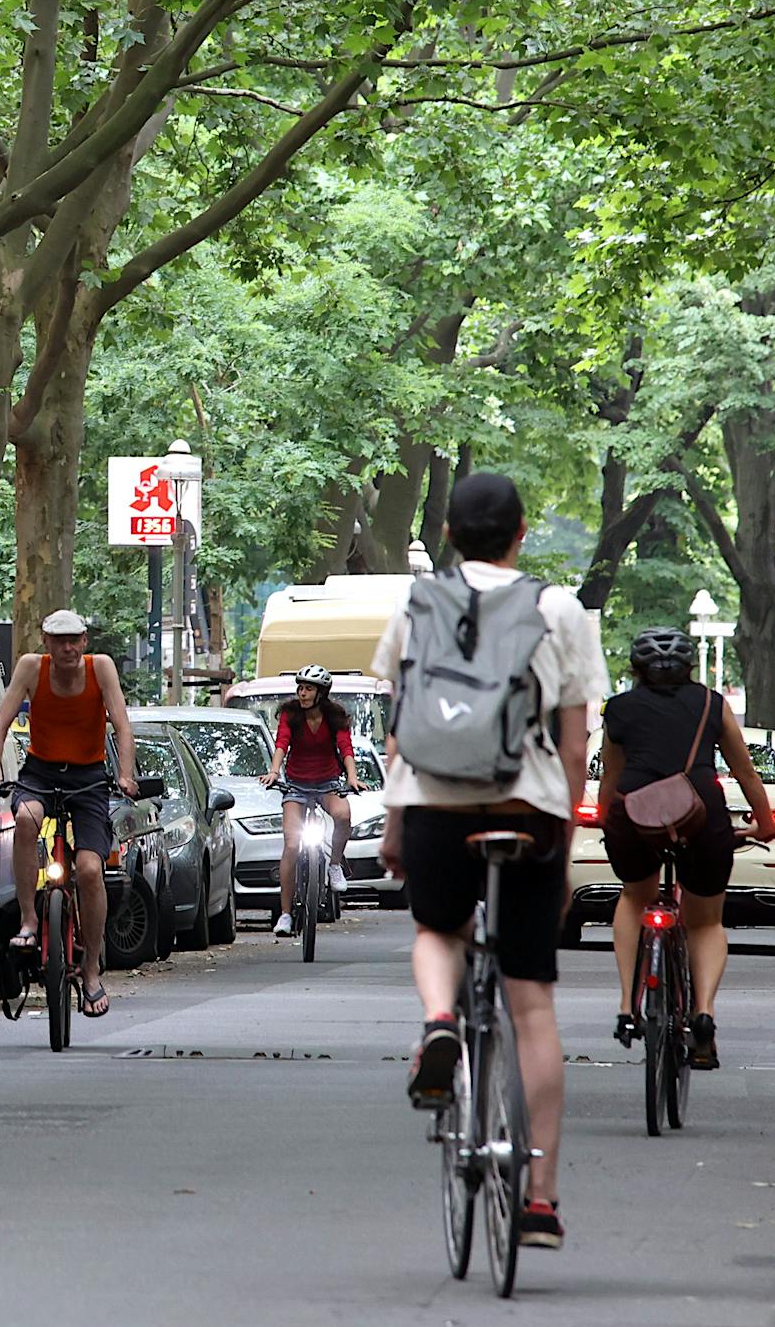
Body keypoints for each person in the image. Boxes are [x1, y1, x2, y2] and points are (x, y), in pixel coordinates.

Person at [371, 471, 606, 1255]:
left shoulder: (418, 605)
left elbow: (402, 728)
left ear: (447, 531)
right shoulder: (559, 608)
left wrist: (397, 823)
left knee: (438, 928)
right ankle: (540, 1199)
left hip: (434, 804)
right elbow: (575, 743)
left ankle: (440, 1022)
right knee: (532, 1002)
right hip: (526, 809)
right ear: (521, 531)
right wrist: (564, 837)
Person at [596, 627, 775, 1073]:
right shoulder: (711, 705)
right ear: (689, 668)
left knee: (633, 897)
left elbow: (612, 779)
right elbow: (746, 773)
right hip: (701, 814)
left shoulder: (618, 710)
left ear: (636, 670)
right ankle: (703, 1014)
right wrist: (767, 823)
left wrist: (607, 820)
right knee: (705, 922)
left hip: (635, 815)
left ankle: (626, 1005)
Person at [0, 610, 138, 1019]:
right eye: (59, 640)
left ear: (84, 641)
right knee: (27, 820)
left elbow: (121, 725)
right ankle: (30, 920)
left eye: (75, 640)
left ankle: (91, 972)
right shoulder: (31, 668)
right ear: (46, 643)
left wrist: (124, 775)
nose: (68, 647)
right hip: (41, 772)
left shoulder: (100, 668)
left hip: (88, 778)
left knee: (88, 870)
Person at [259, 664, 361, 937]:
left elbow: (345, 747)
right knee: (292, 844)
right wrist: (273, 771)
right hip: (296, 785)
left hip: (327, 783)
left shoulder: (335, 716)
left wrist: (351, 776)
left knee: (343, 815)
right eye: (300, 688)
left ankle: (335, 865)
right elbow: (282, 743)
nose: (302, 693)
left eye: (308, 689)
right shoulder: (290, 714)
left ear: (321, 693)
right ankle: (285, 914)